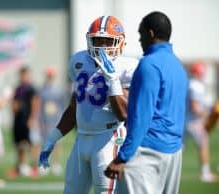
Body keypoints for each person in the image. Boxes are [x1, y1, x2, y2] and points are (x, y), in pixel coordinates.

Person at [39, 15, 138, 193]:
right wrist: (52, 139)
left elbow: (124, 113)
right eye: (97, 40)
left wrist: (113, 79)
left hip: (108, 139)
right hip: (81, 140)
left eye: (107, 41)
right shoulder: (78, 61)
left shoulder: (127, 66)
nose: (101, 46)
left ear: (120, 43)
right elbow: (74, 107)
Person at [104, 11, 188, 194]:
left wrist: (122, 158)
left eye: (141, 34)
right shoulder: (178, 65)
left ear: (150, 33)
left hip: (147, 152)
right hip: (174, 153)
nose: (140, 40)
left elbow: (140, 116)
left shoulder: (148, 64)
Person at [185, 62, 218, 182]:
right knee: (204, 143)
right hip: (193, 122)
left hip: (187, 121)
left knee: (179, 147)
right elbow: (194, 107)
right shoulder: (196, 86)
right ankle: (205, 174)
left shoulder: (192, 84)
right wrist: (207, 114)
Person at [6, 66, 40, 178]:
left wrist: (32, 118)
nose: (23, 77)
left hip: (27, 119)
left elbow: (35, 103)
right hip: (18, 120)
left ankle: (35, 167)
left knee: (32, 145)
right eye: (21, 74)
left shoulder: (31, 88)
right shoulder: (18, 88)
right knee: (19, 144)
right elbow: (14, 103)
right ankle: (19, 167)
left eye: (25, 74)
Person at [39, 67, 65, 176]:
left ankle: (56, 164)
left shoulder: (58, 90)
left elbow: (62, 105)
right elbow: (39, 106)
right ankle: (44, 163)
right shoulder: (42, 90)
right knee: (45, 143)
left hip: (56, 119)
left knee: (56, 143)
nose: (50, 78)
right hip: (45, 119)